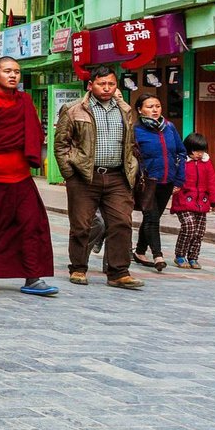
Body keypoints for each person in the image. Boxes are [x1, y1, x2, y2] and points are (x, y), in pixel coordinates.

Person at [0, 58, 58, 297]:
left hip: (19, 174)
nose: (13, 76)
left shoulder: (25, 101)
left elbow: (34, 132)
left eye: (17, 72)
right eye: (7, 71)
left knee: (32, 224)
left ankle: (33, 277)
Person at [53, 64, 144, 289]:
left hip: (117, 177)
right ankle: (78, 268)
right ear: (90, 85)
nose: (106, 88)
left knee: (121, 222)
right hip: (84, 177)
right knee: (82, 225)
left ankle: (118, 272)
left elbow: (131, 143)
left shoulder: (124, 109)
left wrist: (132, 169)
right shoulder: (74, 110)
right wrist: (69, 173)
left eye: (111, 84)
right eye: (102, 84)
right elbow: (61, 143)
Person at [132, 89, 185, 271]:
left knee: (152, 218)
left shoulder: (169, 127)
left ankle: (139, 251)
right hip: (147, 182)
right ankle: (158, 255)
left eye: (157, 106)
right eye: (149, 107)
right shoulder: (135, 130)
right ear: (140, 110)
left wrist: (179, 179)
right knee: (152, 218)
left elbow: (181, 152)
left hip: (167, 181)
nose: (155, 110)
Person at [171, 132, 215, 269]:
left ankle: (193, 257)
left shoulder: (206, 163)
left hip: (202, 202)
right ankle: (180, 255)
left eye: (201, 150)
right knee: (189, 227)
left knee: (199, 232)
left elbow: (212, 182)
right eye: (195, 151)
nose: (198, 154)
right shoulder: (181, 162)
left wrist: (214, 200)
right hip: (183, 200)